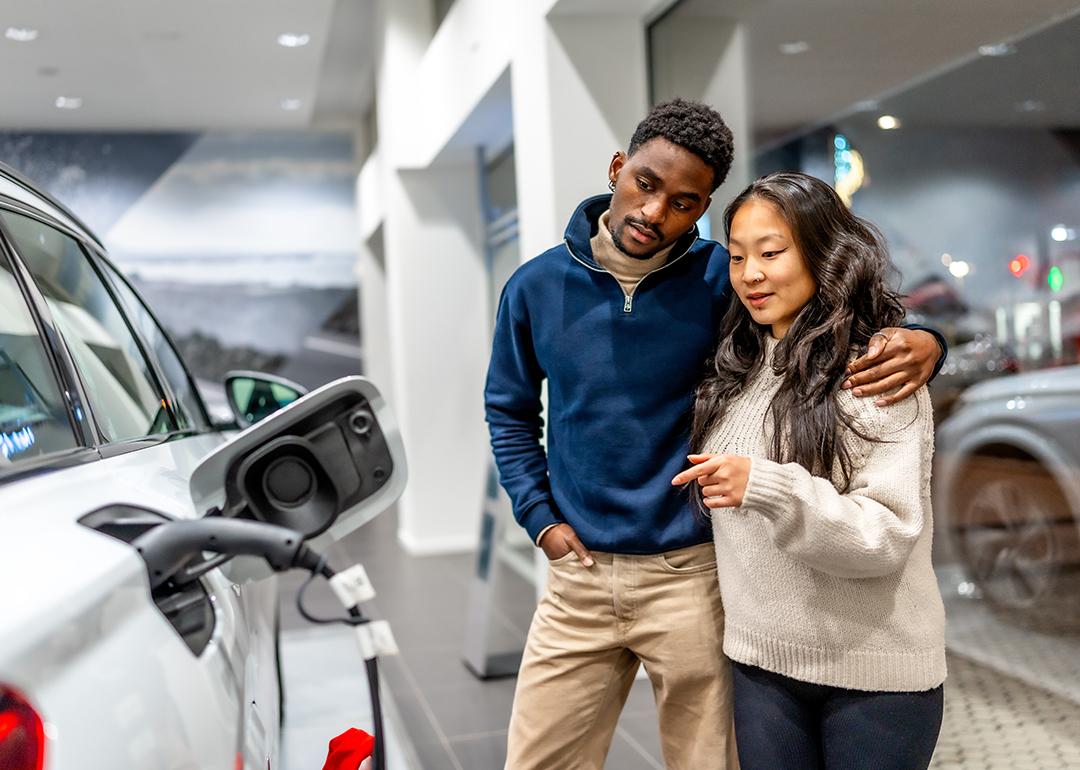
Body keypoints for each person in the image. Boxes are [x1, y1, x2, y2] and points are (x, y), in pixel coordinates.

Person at [484, 99, 946, 770]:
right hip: (578, 575)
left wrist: (929, 343)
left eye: (683, 202)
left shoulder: (720, 281)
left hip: (691, 572)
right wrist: (539, 516)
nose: (655, 211)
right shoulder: (534, 288)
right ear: (619, 167)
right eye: (646, 183)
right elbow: (510, 409)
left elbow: (830, 312)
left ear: (701, 208)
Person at [673, 172, 946, 770]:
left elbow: (884, 538)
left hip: (875, 673)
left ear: (824, 253)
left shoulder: (878, 373)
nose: (751, 275)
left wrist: (766, 486)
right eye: (739, 257)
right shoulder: (737, 371)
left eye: (772, 253)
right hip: (761, 667)